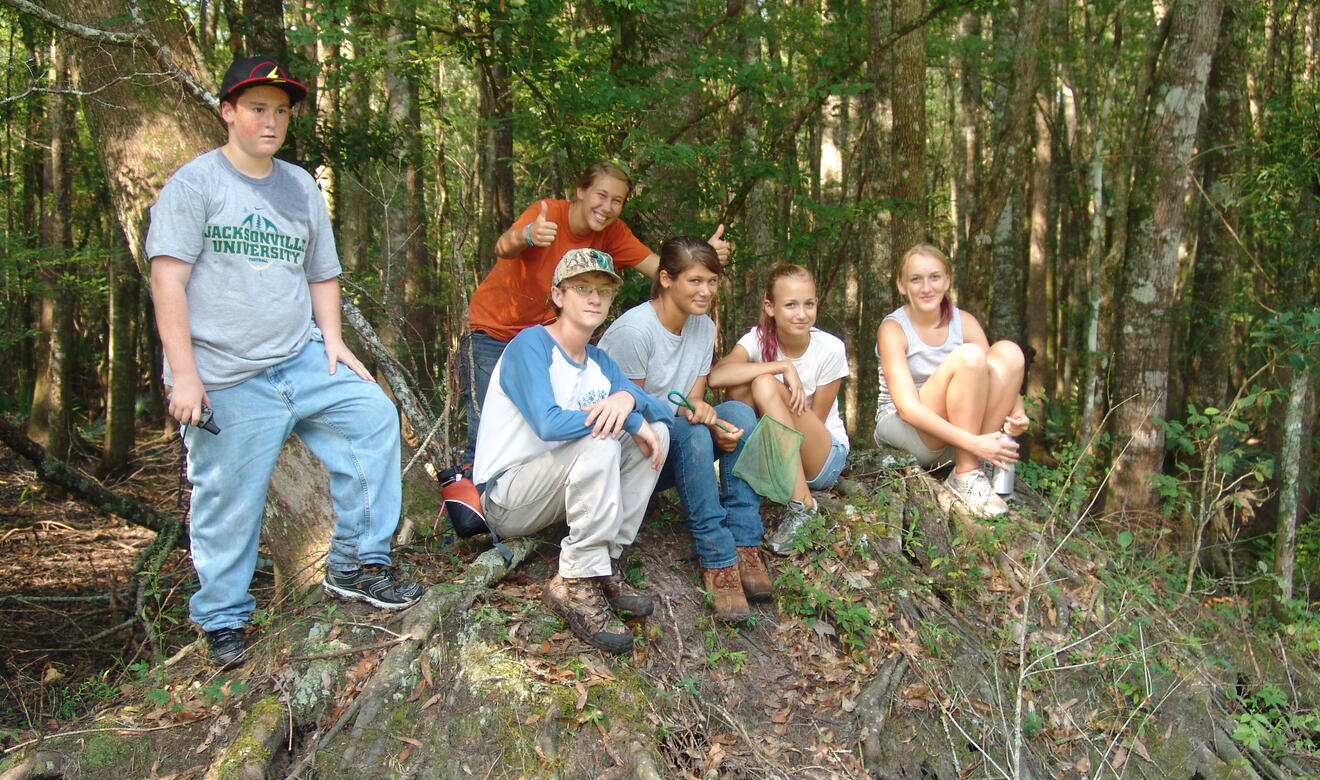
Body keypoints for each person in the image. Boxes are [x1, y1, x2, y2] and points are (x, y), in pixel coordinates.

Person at [146, 56, 422, 669]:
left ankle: (357, 564)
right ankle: (223, 618)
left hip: (299, 357)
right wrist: (185, 375)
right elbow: (168, 281)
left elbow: (322, 272)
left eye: (280, 111)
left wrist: (333, 340)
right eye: (256, 109)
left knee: (373, 417)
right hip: (224, 375)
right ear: (228, 112)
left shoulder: (299, 186)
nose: (270, 121)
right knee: (227, 501)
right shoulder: (195, 185)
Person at [459, 162, 729, 472]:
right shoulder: (549, 213)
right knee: (486, 434)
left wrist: (698, 262)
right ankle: (469, 494)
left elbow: (663, 271)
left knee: (551, 433)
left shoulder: (613, 234)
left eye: (617, 200)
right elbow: (502, 247)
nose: (607, 207)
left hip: (551, 341)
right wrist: (528, 234)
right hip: (496, 330)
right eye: (601, 195)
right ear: (580, 191)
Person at [473, 248, 672, 654]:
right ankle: (575, 580)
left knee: (659, 433)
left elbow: (662, 410)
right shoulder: (531, 345)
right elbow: (547, 424)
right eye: (582, 288)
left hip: (559, 488)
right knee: (603, 437)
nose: (594, 298)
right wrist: (627, 419)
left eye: (603, 290)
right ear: (558, 296)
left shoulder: (599, 361)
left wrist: (629, 400)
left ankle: (606, 561)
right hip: (509, 497)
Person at [598, 237, 767, 622]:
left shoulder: (703, 326)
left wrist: (713, 422)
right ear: (666, 279)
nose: (705, 291)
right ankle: (718, 559)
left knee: (739, 414)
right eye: (695, 281)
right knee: (689, 430)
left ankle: (746, 544)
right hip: (629, 461)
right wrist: (696, 419)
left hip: (673, 446)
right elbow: (630, 415)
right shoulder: (634, 331)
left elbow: (693, 400)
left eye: (711, 281)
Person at [873, 243, 1029, 517]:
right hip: (908, 429)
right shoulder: (893, 329)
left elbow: (997, 375)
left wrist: (1018, 412)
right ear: (901, 285)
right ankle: (967, 472)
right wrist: (973, 443)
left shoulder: (963, 321)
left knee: (1009, 352)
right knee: (970, 356)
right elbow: (908, 409)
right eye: (916, 279)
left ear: (947, 280)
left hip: (957, 437)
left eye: (934, 277)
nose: (926, 287)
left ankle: (972, 466)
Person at [707, 264, 849, 553]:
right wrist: (782, 366)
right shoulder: (757, 339)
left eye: (809, 304)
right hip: (778, 453)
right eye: (791, 305)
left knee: (762, 384)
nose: (801, 314)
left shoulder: (830, 348)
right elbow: (717, 377)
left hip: (822, 456)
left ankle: (803, 506)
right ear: (770, 307)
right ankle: (741, 493)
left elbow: (815, 422)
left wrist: (769, 380)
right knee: (741, 387)